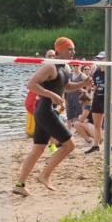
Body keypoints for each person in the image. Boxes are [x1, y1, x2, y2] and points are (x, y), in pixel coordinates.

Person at [12, 37, 92, 195]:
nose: (73, 52)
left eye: (73, 49)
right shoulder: (50, 66)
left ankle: (19, 185)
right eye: (70, 49)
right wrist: (51, 95)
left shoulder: (66, 68)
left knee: (38, 150)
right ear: (59, 50)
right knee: (70, 145)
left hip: (48, 111)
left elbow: (67, 87)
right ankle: (44, 175)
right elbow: (31, 84)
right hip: (45, 110)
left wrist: (83, 84)